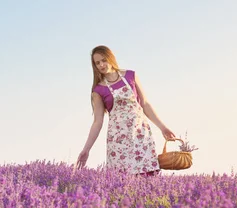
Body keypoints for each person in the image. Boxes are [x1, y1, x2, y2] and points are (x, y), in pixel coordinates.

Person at [75, 45, 177, 176]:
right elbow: (97, 122)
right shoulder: (98, 90)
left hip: (140, 135)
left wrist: (163, 128)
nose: (101, 65)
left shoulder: (131, 76)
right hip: (118, 141)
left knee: (147, 176)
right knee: (121, 179)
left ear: (111, 58)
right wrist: (86, 149)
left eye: (103, 60)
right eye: (97, 63)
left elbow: (145, 104)